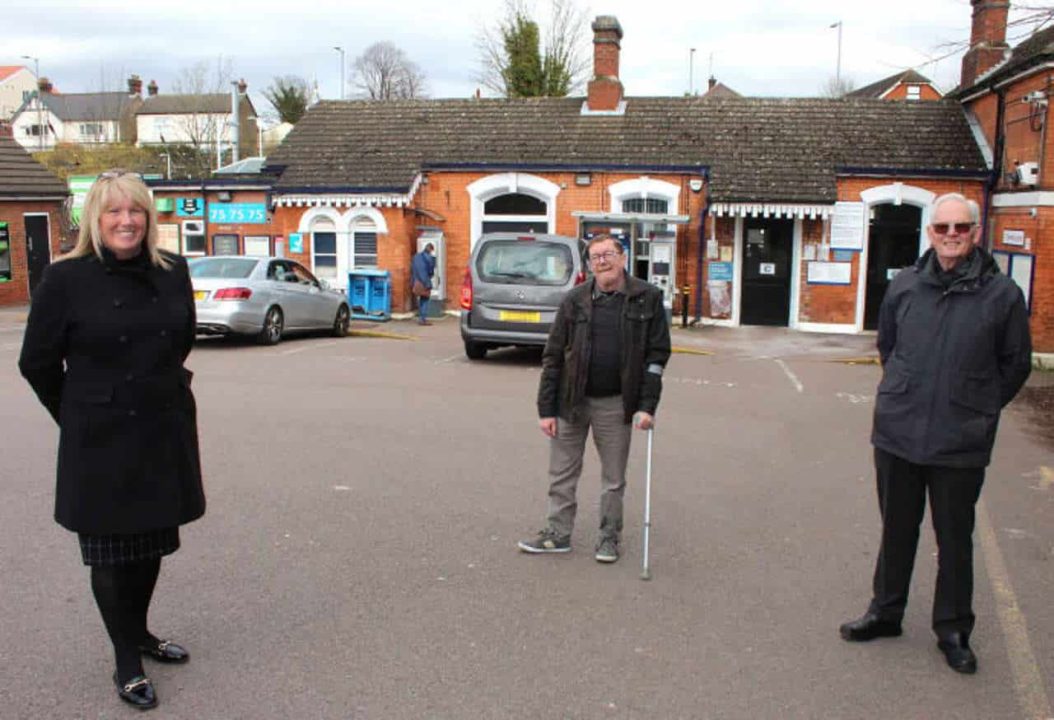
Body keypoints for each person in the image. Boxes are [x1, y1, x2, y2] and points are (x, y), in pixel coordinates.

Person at [19, 170, 206, 710]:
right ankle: (126, 658)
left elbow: (183, 339)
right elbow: (36, 362)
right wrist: (77, 415)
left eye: (136, 211)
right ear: (94, 221)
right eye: (114, 212)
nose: (126, 221)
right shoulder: (66, 279)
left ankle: (142, 632)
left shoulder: (172, 271)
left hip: (160, 428)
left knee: (150, 544)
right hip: (100, 438)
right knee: (109, 553)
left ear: (148, 218)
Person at [839, 193, 1032, 674]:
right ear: (930, 233)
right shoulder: (906, 285)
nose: (951, 236)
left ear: (976, 231)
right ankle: (886, 612)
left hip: (960, 441)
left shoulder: (1002, 294)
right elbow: (889, 346)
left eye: (960, 228)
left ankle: (952, 628)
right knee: (897, 530)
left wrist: (980, 407)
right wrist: (906, 394)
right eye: (942, 228)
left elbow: (1016, 364)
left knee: (955, 539)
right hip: (899, 434)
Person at [519, 234, 671, 563]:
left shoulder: (648, 298)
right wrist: (546, 409)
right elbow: (553, 356)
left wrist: (647, 406)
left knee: (613, 478)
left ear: (623, 257)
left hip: (616, 402)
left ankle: (608, 537)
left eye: (608, 254)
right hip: (570, 400)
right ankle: (557, 534)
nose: (601, 261)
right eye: (595, 256)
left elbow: (656, 358)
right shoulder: (574, 300)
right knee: (561, 473)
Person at [411, 242, 436, 325]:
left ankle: (421, 317)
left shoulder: (416, 257)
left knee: (421, 300)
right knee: (425, 300)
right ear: (431, 250)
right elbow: (430, 272)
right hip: (424, 282)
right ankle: (423, 319)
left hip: (416, 282)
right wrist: (428, 284)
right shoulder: (429, 258)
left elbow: (413, 269)